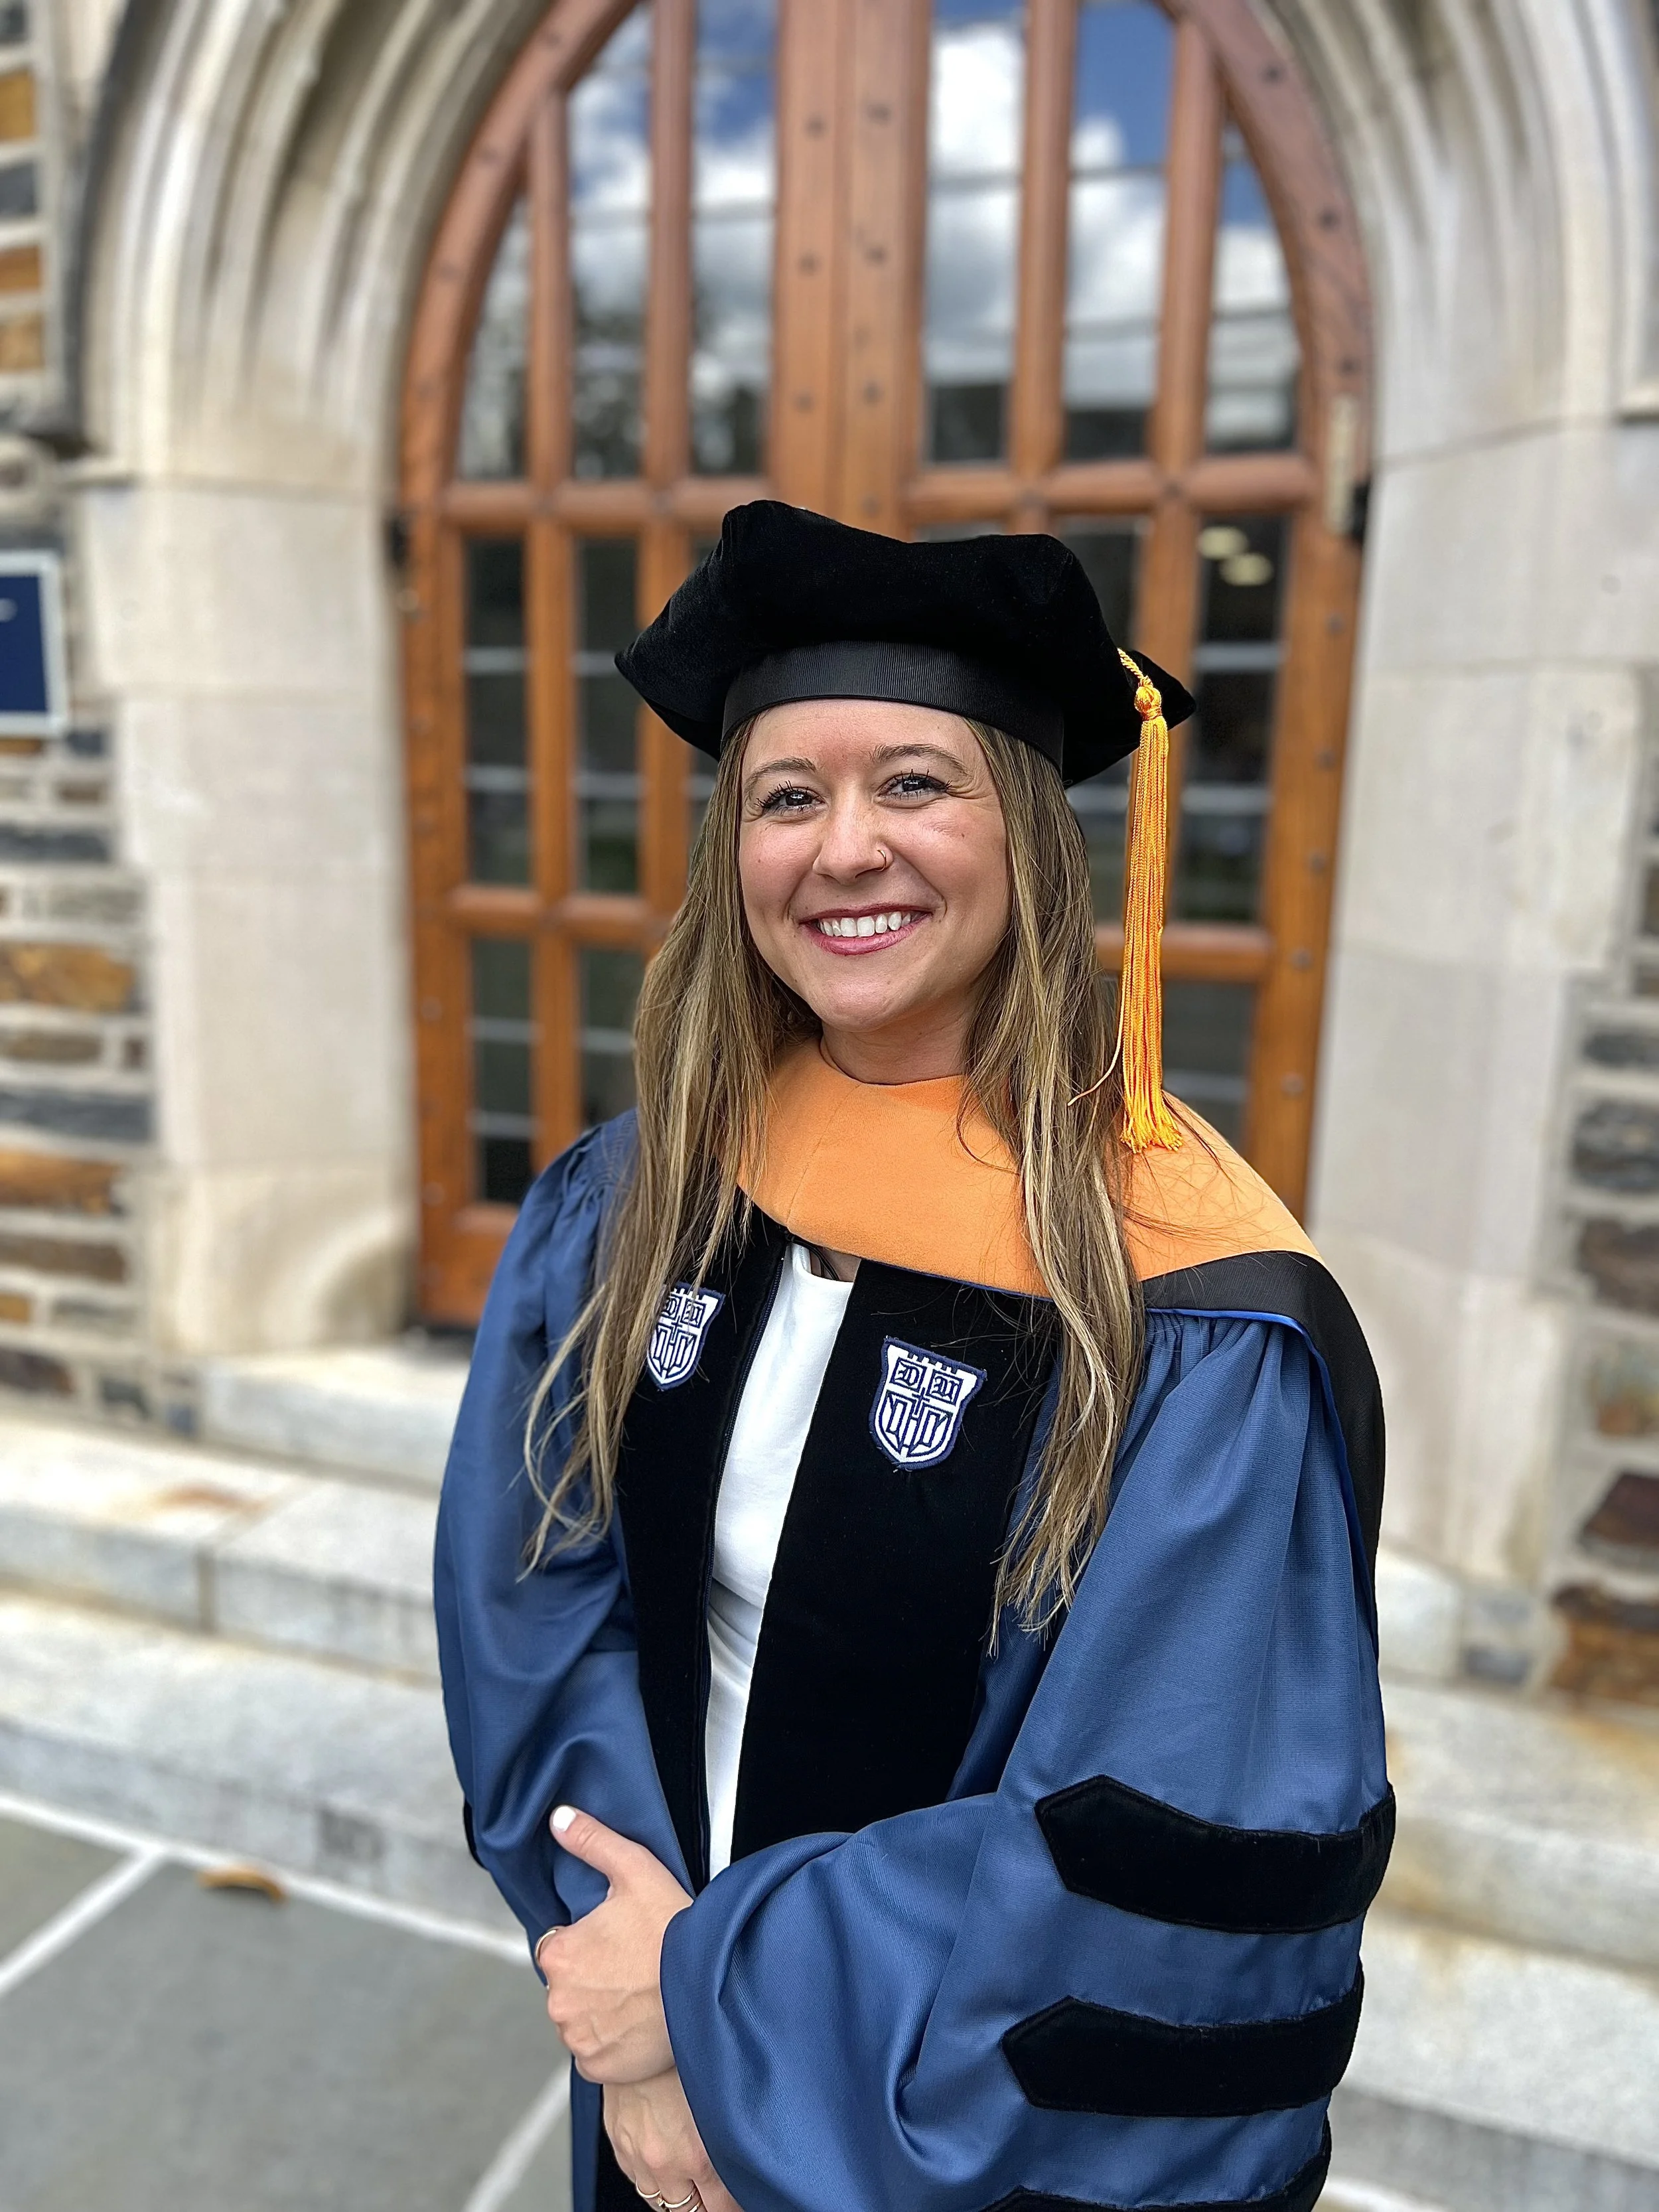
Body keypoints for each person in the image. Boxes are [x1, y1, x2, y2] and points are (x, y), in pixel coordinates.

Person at [435, 502, 1390, 2212]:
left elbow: (1155, 1826)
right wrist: (626, 1996)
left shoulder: (1187, 1303)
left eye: (916, 784)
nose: (844, 849)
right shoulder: (640, 1191)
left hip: (929, 2119)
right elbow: (534, 1592)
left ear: (1028, 837)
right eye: (788, 797)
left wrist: (711, 2010)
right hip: (644, 2025)